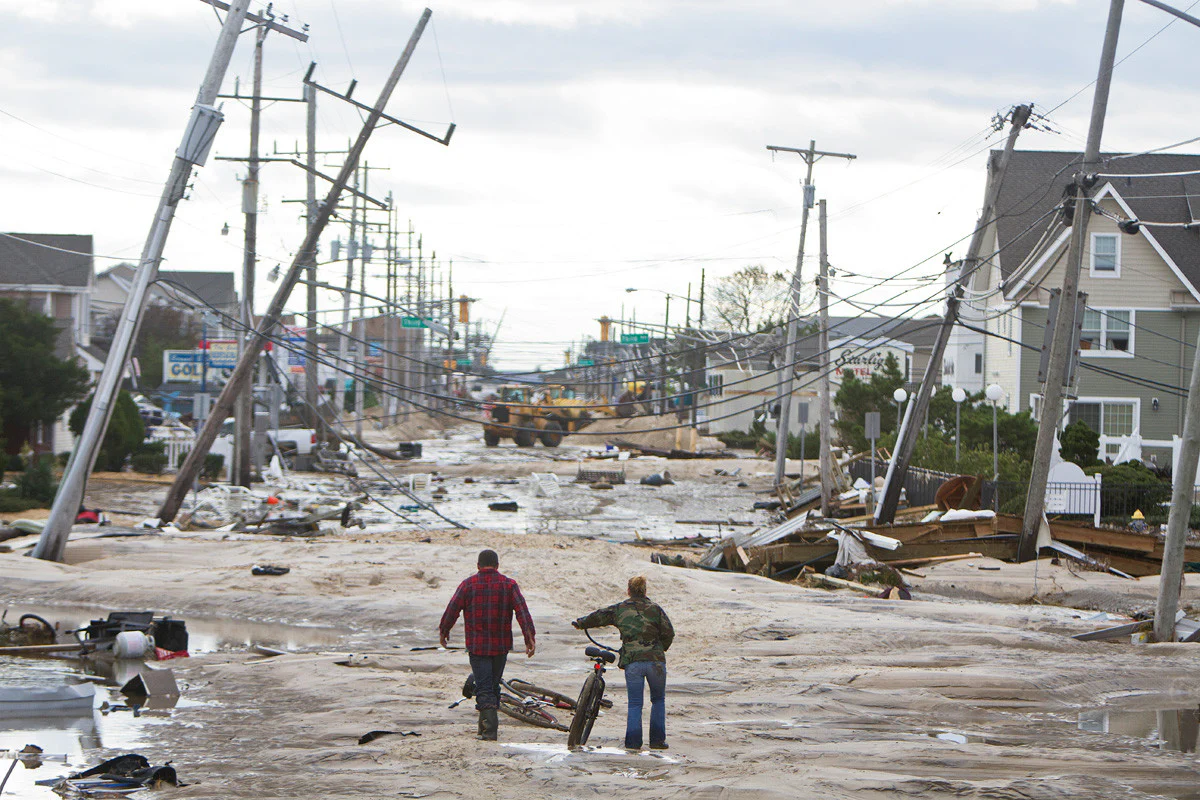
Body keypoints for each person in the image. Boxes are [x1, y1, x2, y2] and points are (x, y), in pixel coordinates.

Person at [439, 549, 536, 741]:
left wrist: (444, 631)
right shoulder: (509, 585)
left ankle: (490, 731)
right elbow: (522, 612)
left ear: (478, 566)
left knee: (484, 687)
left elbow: (452, 609)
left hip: (478, 647)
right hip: (501, 647)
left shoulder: (468, 585)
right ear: (497, 566)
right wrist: (529, 637)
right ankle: (483, 728)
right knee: (491, 685)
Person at [573, 576, 674, 750]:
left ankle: (633, 743)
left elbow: (599, 617)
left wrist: (582, 623)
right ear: (645, 590)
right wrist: (658, 649)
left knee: (635, 703)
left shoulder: (620, 609)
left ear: (629, 590)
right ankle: (657, 741)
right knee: (658, 700)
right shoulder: (656, 609)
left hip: (633, 662)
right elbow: (669, 633)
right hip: (656, 662)